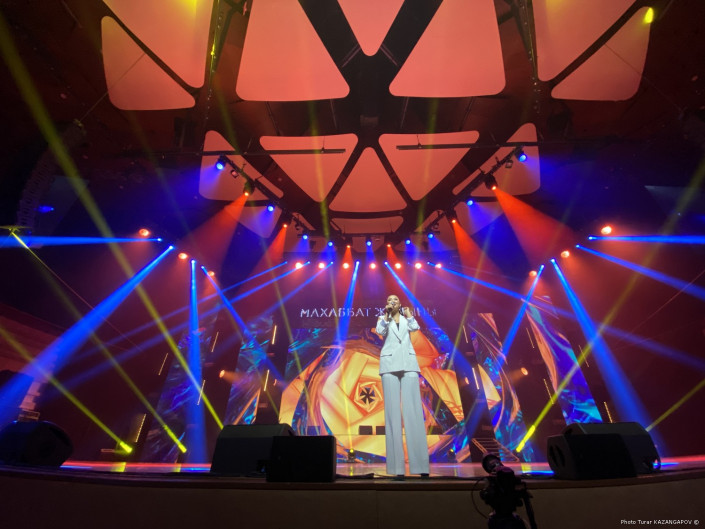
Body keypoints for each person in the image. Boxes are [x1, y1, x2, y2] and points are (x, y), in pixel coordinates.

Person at [375, 294, 430, 478]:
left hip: (409, 364)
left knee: (414, 412)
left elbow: (415, 328)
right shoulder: (382, 318)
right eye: (389, 300)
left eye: (396, 300)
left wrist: (410, 315)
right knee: (392, 414)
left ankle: (421, 466)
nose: (393, 302)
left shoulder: (407, 319)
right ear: (386, 304)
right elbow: (380, 331)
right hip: (389, 365)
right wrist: (386, 315)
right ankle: (397, 468)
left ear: (400, 304)